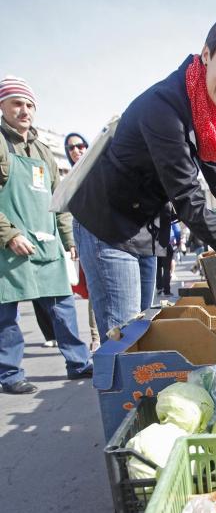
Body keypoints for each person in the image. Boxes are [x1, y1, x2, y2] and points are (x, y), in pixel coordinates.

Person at [69, 15, 216, 339]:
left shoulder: (211, 114)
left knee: (141, 333)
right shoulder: (164, 106)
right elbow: (189, 202)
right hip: (107, 224)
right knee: (122, 340)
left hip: (144, 227)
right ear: (206, 55)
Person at [0, 76, 93, 393]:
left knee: (63, 306)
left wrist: (69, 240)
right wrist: (9, 234)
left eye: (29, 105)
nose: (24, 110)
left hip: (46, 241)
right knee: (6, 313)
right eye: (16, 103)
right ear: (3, 106)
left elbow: (60, 200)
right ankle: (10, 375)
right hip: (10, 246)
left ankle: (78, 363)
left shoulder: (42, 151)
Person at [62, 131, 101, 352]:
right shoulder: (68, 178)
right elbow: (65, 213)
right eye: (71, 148)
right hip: (83, 238)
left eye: (80, 145)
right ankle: (96, 338)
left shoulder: (100, 170)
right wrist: (71, 242)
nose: (76, 150)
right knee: (94, 292)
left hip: (107, 237)